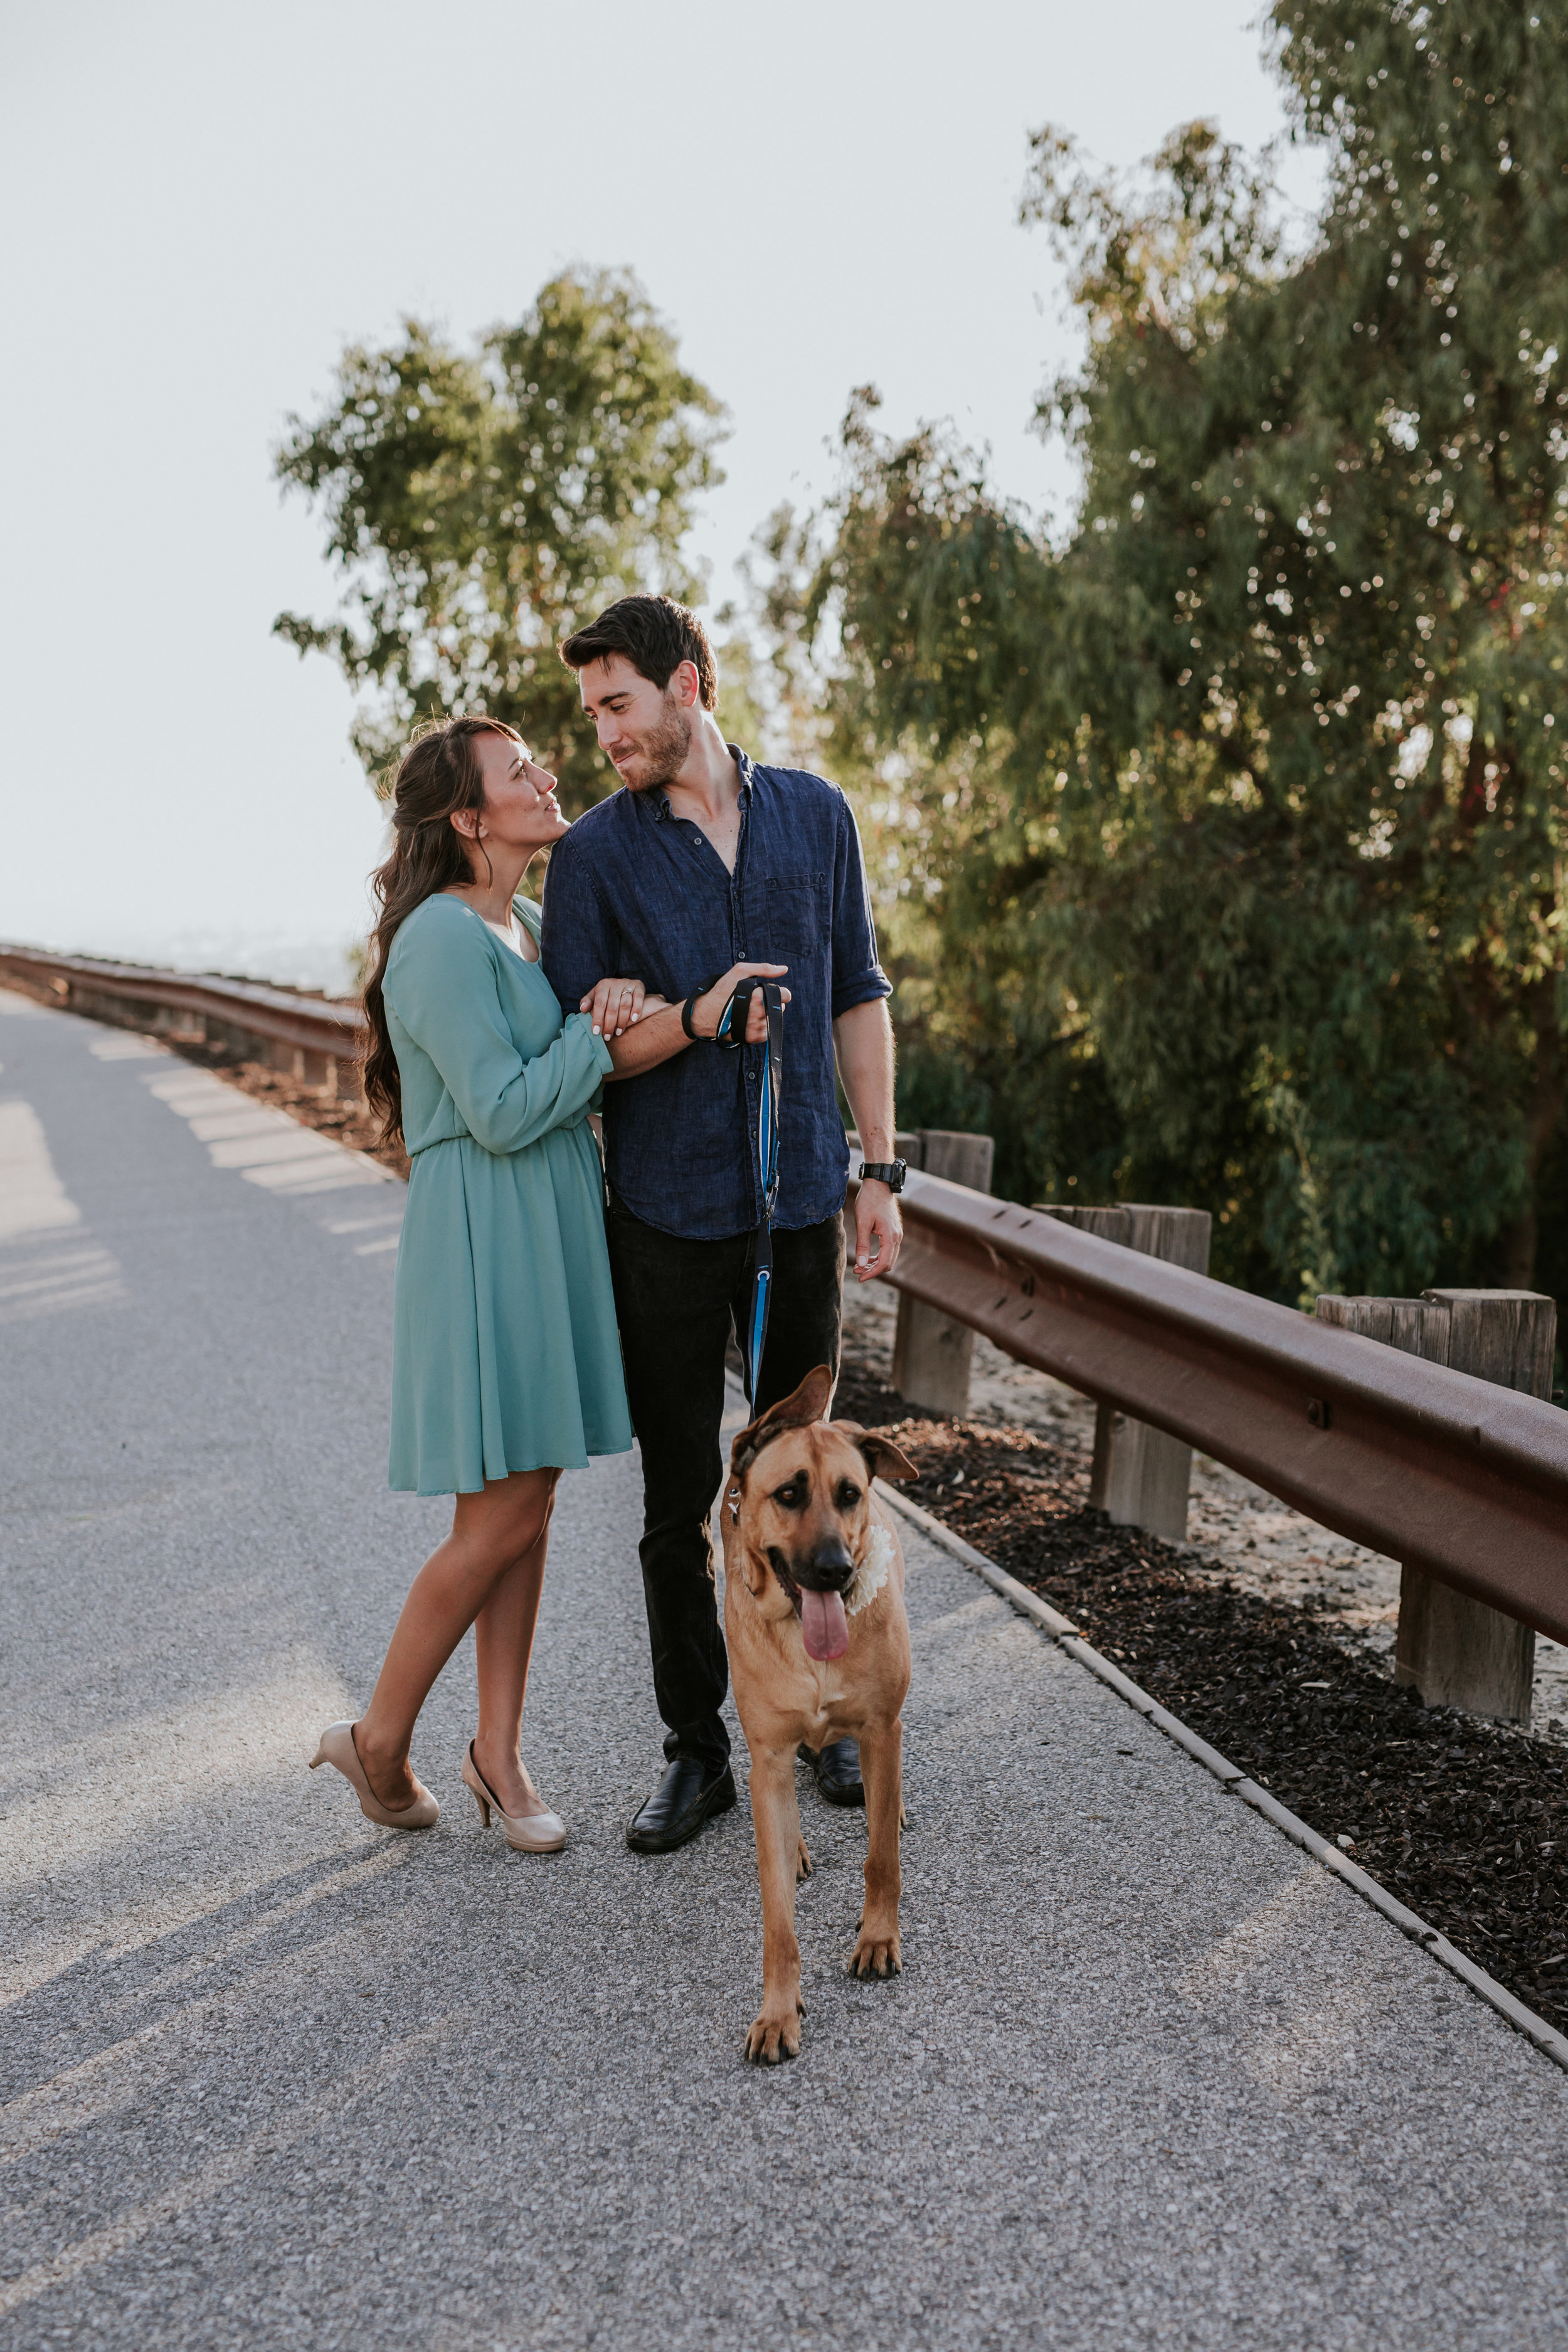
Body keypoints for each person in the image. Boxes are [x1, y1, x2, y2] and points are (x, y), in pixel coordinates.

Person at [310, 714, 781, 1850]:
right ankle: (377, 1739)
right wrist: (590, 1030)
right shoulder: (435, 940)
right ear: (468, 818)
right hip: (487, 1236)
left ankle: (499, 1755)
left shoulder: (517, 924)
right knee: (502, 1514)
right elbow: (505, 1107)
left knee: (527, 1510)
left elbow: (566, 1048)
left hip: (546, 1225)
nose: (545, 772)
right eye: (516, 770)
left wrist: (612, 1002)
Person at [542, 594, 906, 1857]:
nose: (602, 733)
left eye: (617, 704)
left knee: (815, 1491)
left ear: (686, 684)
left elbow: (858, 997)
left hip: (804, 1200)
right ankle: (698, 1749)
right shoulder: (591, 857)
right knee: (678, 1498)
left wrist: (879, 1167)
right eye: (590, 712)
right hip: (663, 1218)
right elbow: (586, 1053)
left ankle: (830, 1717)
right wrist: (680, 1015)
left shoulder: (816, 815)